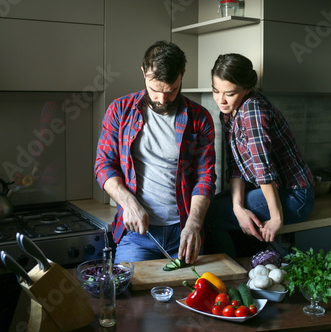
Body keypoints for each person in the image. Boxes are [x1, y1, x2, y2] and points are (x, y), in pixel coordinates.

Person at [94, 41, 217, 264]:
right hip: (137, 235)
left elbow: (205, 177)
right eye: (155, 91)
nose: (162, 100)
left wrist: (194, 224)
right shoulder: (119, 111)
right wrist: (129, 204)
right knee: (131, 295)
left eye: (171, 91)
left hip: (183, 232)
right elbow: (104, 164)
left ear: (182, 75)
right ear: (143, 72)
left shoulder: (200, 118)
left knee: (188, 295)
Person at [204, 53, 314, 258]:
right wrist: (238, 208)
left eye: (229, 93)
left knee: (211, 216)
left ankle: (231, 279)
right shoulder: (228, 111)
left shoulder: (252, 109)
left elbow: (263, 169)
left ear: (247, 88)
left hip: (294, 195)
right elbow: (236, 165)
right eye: (215, 90)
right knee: (209, 206)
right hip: (269, 190)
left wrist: (275, 218)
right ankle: (241, 271)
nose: (221, 99)